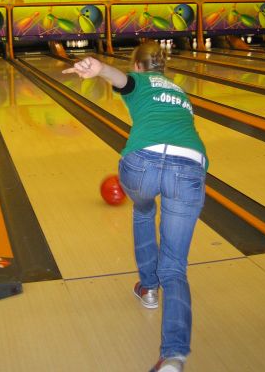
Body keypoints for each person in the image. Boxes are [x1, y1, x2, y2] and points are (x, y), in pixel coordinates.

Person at [63, 41, 207, 372]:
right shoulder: (180, 92)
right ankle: (173, 356)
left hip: (142, 164)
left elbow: (122, 80)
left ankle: (148, 288)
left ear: (138, 67)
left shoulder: (139, 80)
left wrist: (99, 69)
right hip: (189, 168)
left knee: (143, 210)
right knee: (175, 268)